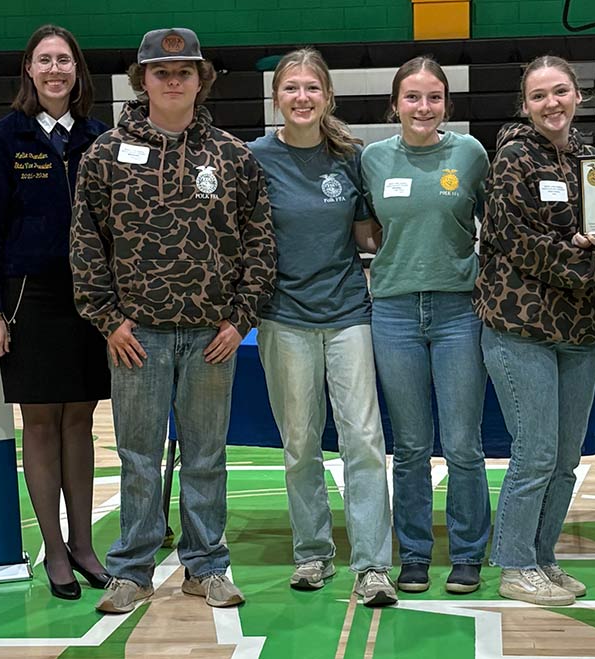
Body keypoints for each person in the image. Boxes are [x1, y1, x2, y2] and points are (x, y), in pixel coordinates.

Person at [70, 27, 276, 614]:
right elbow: (86, 244)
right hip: (137, 337)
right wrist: (108, 320)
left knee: (207, 455)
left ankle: (206, 566)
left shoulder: (233, 156)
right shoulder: (105, 155)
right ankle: (131, 571)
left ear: (201, 80)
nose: (173, 80)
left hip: (213, 335)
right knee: (138, 456)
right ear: (142, 80)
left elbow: (260, 244)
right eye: (161, 72)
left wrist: (241, 321)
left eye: (185, 71)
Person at [474, 55, 595, 605]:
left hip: (578, 328)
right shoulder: (512, 159)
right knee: (534, 452)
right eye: (538, 96)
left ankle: (543, 558)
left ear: (578, 96)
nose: (551, 103)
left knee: (566, 457)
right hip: (519, 325)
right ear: (525, 106)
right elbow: (523, 247)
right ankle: (513, 564)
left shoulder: (593, 162)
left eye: (560, 92)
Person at [248, 48, 396, 607]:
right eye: (291, 89)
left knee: (362, 440)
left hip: (347, 315)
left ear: (327, 96)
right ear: (276, 97)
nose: (302, 98)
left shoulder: (350, 158)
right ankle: (312, 553)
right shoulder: (254, 158)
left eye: (312, 88)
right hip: (283, 318)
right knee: (300, 444)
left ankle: (372, 566)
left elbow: (366, 236)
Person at [0, 24, 110, 601]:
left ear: (78, 70)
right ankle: (53, 549)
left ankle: (84, 544)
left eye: (65, 60)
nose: (55, 70)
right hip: (30, 300)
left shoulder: (102, 138)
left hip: (93, 298)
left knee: (81, 420)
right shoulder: (6, 139)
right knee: (41, 422)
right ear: (28, 70)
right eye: (44, 60)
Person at [360, 56, 491, 595]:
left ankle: (467, 554)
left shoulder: (470, 154)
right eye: (412, 97)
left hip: (459, 310)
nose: (423, 107)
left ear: (446, 105)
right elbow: (365, 231)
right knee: (410, 445)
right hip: (392, 312)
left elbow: (500, 224)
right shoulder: (371, 159)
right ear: (395, 105)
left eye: (433, 97)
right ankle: (413, 553)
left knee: (463, 444)